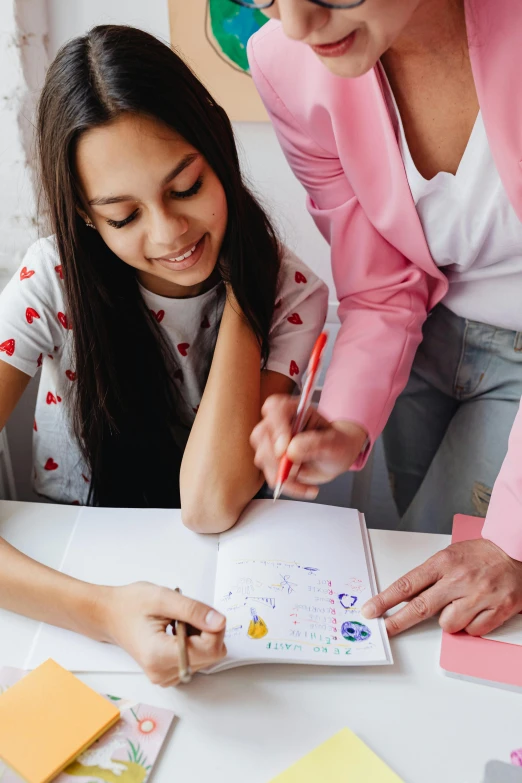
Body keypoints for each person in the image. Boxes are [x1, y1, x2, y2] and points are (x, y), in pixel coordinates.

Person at [0, 24, 327, 683]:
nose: (170, 231)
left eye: (185, 187)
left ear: (217, 149)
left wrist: (244, 294)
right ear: (88, 218)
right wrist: (104, 612)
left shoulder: (291, 293)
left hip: (216, 584)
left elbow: (209, 502)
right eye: (123, 216)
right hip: (69, 583)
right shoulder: (49, 283)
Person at [246, 0, 522, 638]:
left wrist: (512, 541)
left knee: (457, 607)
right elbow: (379, 285)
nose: (294, 25)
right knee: (389, 561)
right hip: (426, 338)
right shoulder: (285, 62)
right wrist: (343, 423)